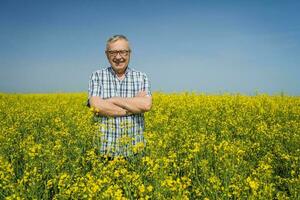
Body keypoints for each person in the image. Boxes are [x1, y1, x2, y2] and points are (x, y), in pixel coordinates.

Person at [87, 35, 152, 159]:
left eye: (122, 52)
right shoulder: (97, 76)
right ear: (106, 54)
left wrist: (114, 100)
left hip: (135, 151)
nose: (118, 57)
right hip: (105, 151)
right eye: (113, 52)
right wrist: (133, 108)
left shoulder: (141, 77)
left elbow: (146, 105)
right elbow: (96, 106)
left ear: (129, 54)